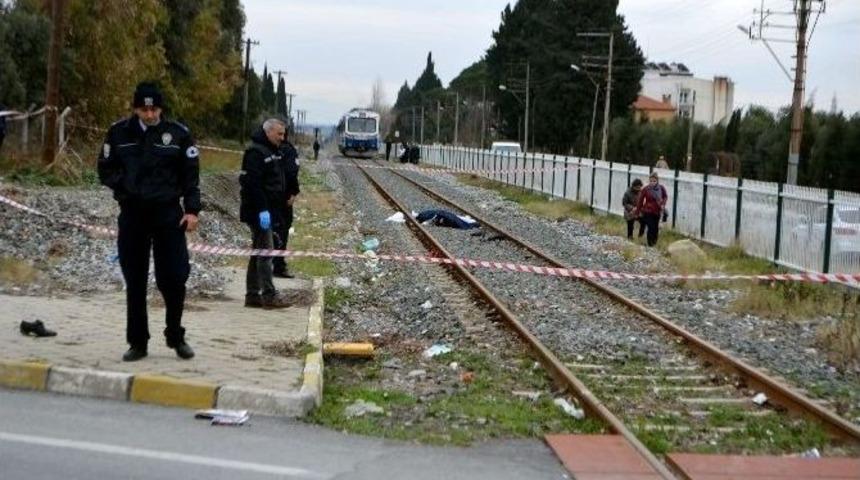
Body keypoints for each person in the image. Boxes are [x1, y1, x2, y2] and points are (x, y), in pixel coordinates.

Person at [97, 82, 199, 362]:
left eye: (154, 109)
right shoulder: (119, 133)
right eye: (145, 109)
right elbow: (105, 170)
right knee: (136, 280)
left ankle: (175, 335)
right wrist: (126, 187)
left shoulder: (177, 135)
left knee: (175, 277)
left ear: (161, 109)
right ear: (136, 108)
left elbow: (191, 176)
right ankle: (137, 341)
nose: (150, 114)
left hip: (168, 214)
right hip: (133, 214)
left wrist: (192, 210)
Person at [239, 118, 292, 309]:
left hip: (269, 210)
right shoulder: (255, 153)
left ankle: (252, 295)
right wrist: (262, 210)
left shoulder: (272, 151)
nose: (282, 137)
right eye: (279, 134)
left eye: (283, 134)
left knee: (258, 252)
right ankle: (269, 295)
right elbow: (253, 185)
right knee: (266, 252)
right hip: (258, 212)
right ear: (268, 132)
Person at [273, 131, 300, 278]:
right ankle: (278, 266)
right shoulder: (288, 150)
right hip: (283, 198)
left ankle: (265, 265)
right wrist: (293, 192)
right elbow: (292, 172)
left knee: (265, 234)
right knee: (282, 230)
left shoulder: (265, 149)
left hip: (268, 198)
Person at [635, 171, 668, 247]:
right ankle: (650, 244)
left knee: (656, 228)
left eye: (654, 181)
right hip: (648, 211)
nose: (652, 182)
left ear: (657, 181)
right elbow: (640, 201)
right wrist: (637, 212)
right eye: (651, 181)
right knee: (650, 227)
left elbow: (665, 196)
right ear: (649, 181)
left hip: (657, 211)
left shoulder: (661, 188)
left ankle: (654, 243)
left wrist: (663, 203)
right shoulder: (646, 189)